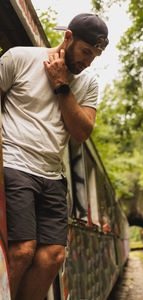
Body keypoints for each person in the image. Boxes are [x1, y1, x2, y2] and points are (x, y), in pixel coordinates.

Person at [0, 13, 109, 300]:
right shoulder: (19, 58)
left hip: (52, 176)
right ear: (68, 37)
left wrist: (62, 85)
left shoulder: (87, 84)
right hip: (14, 164)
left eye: (94, 56)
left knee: (53, 256)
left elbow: (82, 132)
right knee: (22, 250)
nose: (88, 61)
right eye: (86, 51)